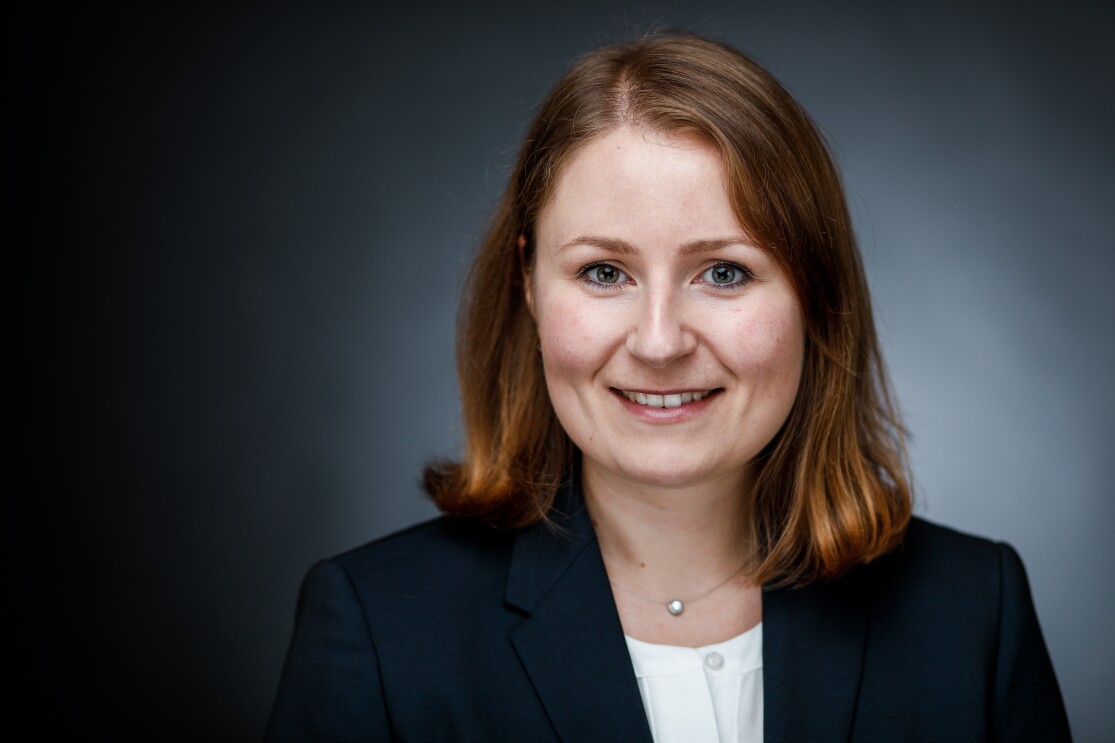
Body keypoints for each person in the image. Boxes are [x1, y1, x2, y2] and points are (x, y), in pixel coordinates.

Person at [265, 32, 1070, 742]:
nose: (658, 341)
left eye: (723, 272)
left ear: (815, 293)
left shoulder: (972, 613)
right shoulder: (377, 626)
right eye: (603, 271)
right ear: (530, 286)